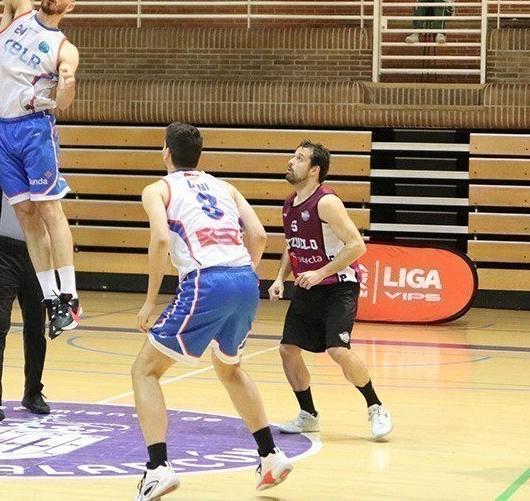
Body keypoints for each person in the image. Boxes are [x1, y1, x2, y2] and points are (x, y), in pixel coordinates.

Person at [132, 123, 293, 499]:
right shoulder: (225, 187)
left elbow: (158, 239)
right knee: (230, 368)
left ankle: (157, 468)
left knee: (145, 370)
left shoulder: (157, 189)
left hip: (207, 281)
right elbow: (259, 236)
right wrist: (244, 273)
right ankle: (270, 456)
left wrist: (150, 301)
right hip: (243, 278)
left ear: (166, 153)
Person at [0, 0, 83, 339]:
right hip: (0, 131)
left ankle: (70, 294)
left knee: (49, 210)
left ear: (70, 6)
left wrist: (66, 85)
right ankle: (51, 300)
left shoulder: (65, 48)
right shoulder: (19, 11)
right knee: (25, 216)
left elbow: (64, 102)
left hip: (32, 130)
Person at [268, 141, 393, 441]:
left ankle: (376, 406)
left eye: (298, 158)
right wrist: (279, 278)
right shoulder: (289, 204)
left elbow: (357, 246)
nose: (290, 161)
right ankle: (308, 415)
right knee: (287, 350)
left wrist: (321, 272)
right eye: (292, 155)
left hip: (339, 286)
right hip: (308, 287)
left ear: (314, 170)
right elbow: (293, 246)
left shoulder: (326, 203)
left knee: (338, 350)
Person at [0, 172, 49, 426]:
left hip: (34, 248)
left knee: (35, 327)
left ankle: (32, 391)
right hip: (2, 249)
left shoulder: (42, 157)